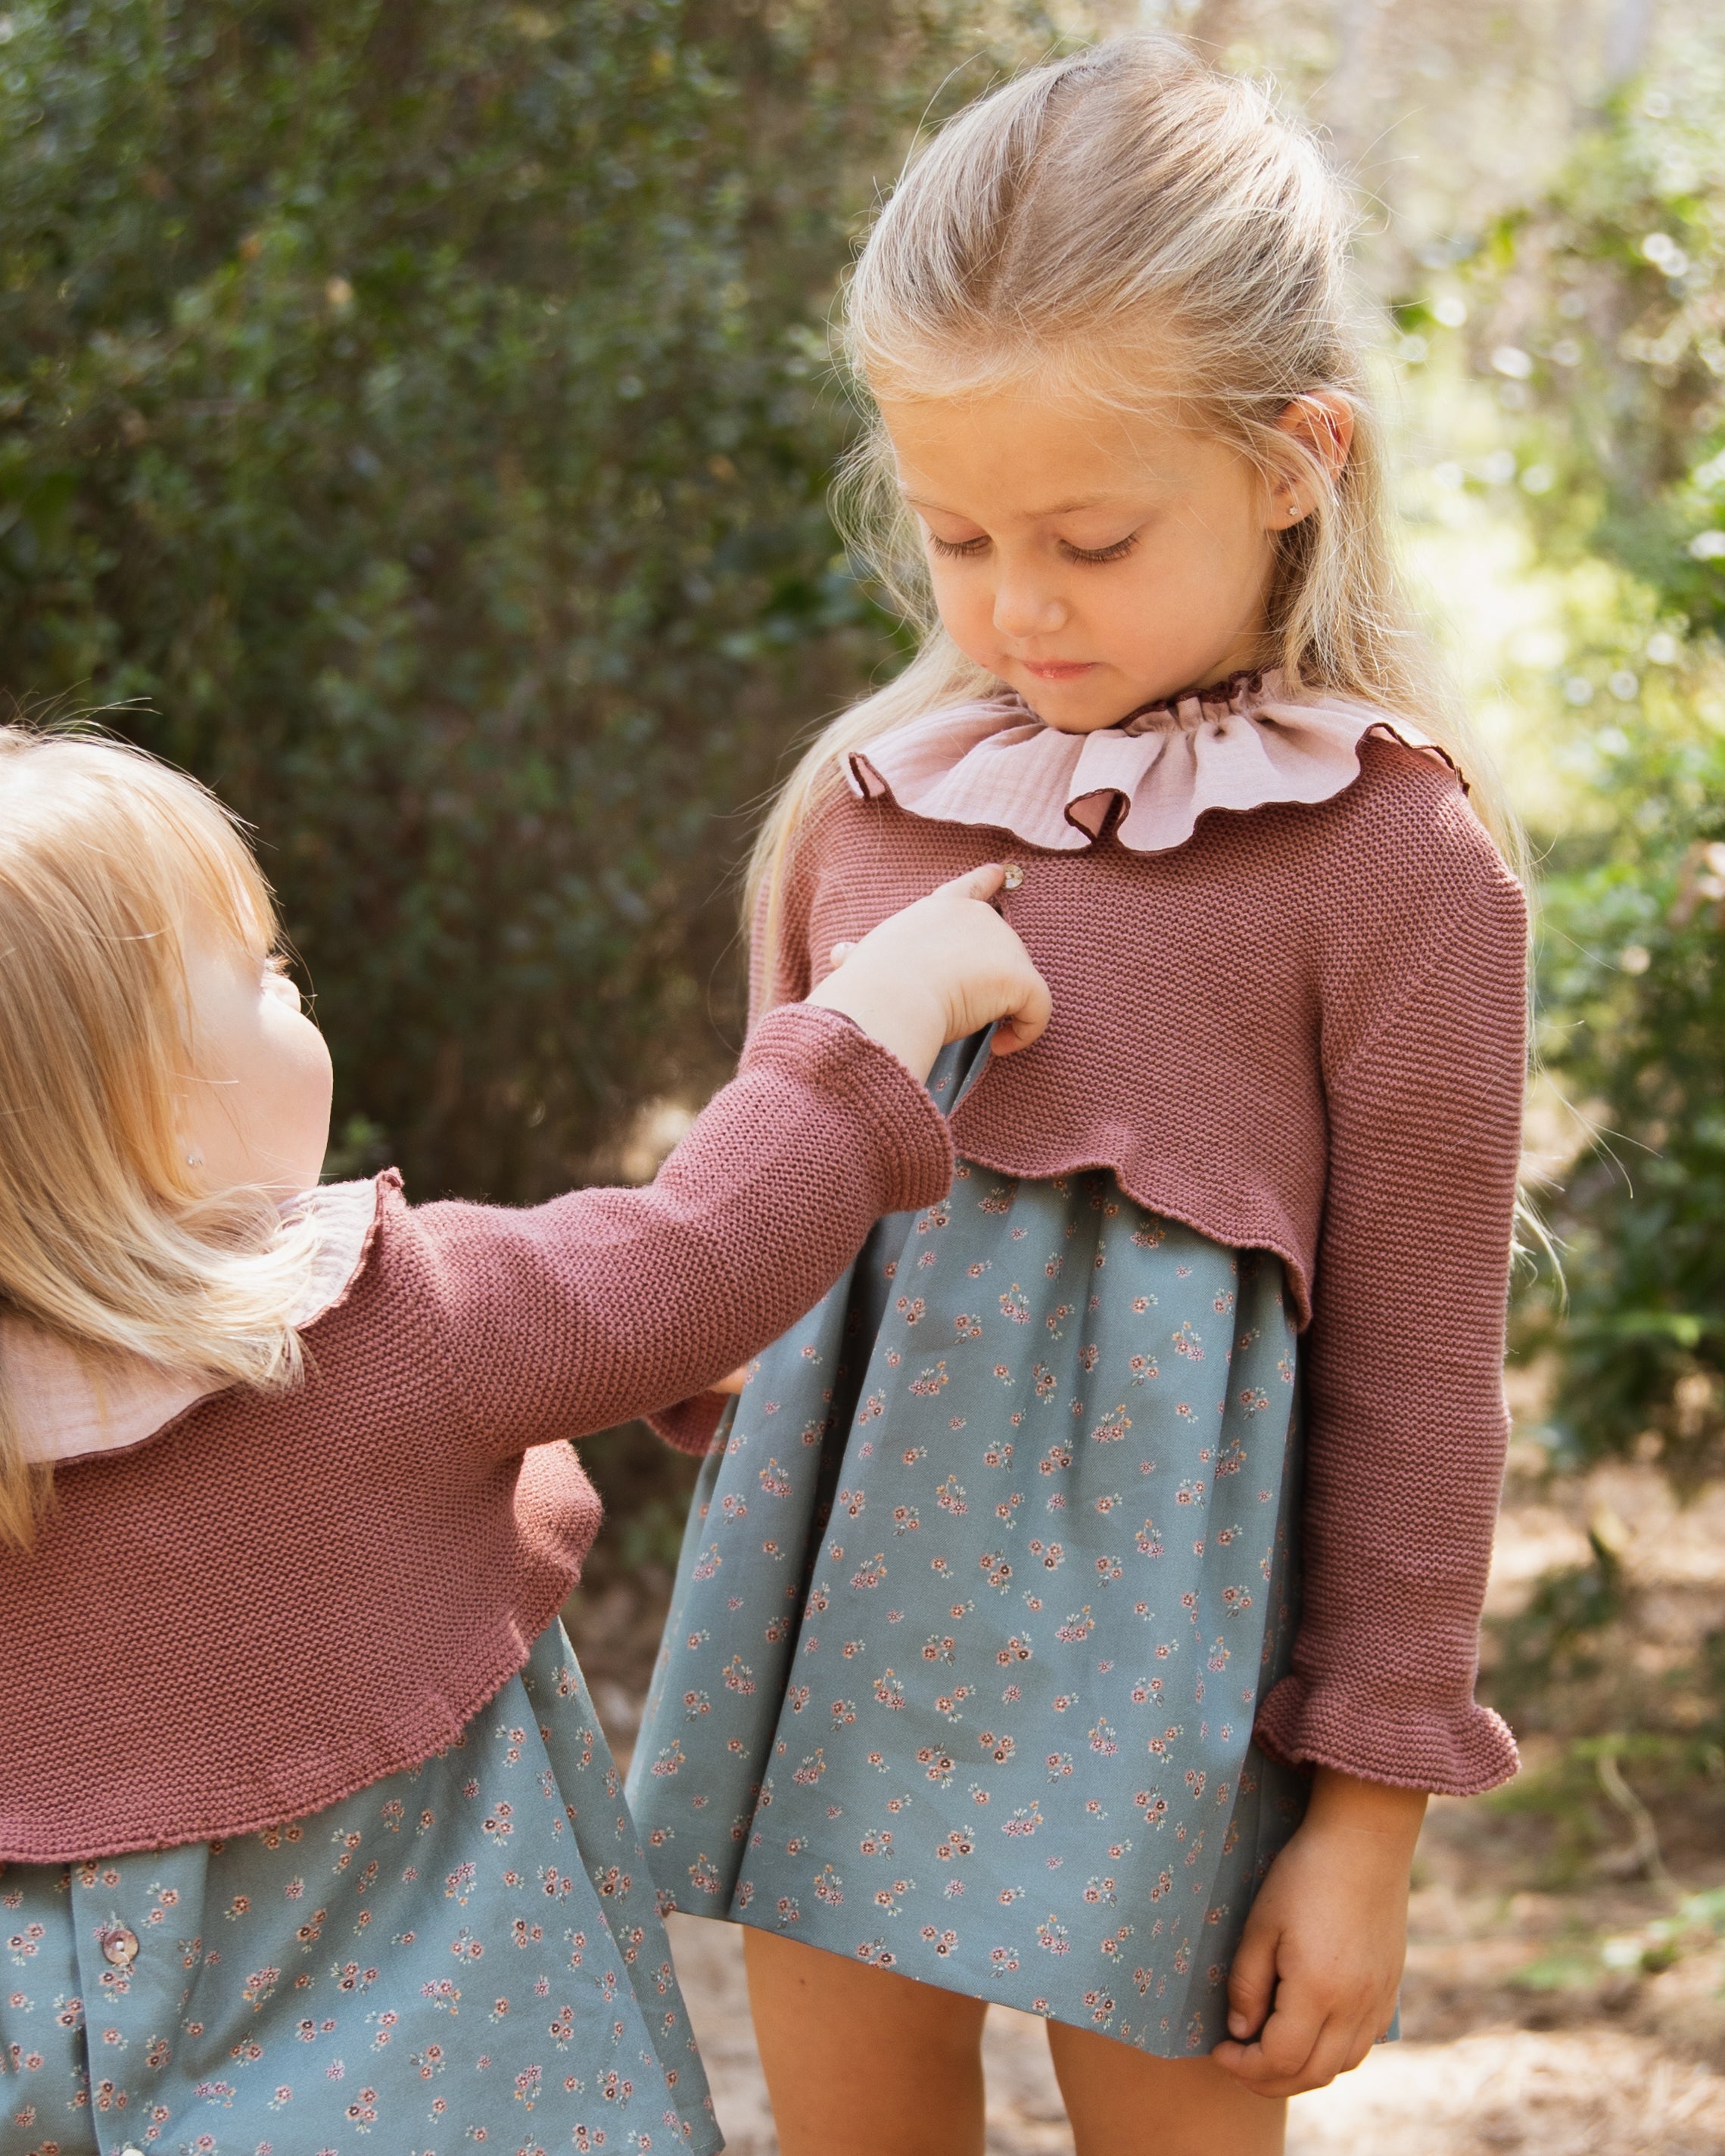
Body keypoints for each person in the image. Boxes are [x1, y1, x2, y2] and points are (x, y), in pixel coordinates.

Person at [627, 36, 1527, 2156]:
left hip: (1183, 1714)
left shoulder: (1394, 867)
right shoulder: (867, 816)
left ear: (1297, 458)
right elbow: (749, 1234)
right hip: (835, 1639)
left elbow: (1421, 1379)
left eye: (1093, 540)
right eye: (956, 537)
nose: (1017, 609)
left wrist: (1367, 1820)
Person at [0, 724, 1051, 2156]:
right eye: (255, 976)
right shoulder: (387, 1319)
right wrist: (887, 1002)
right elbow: (698, 1256)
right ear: (132, 1096)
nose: (293, 988)